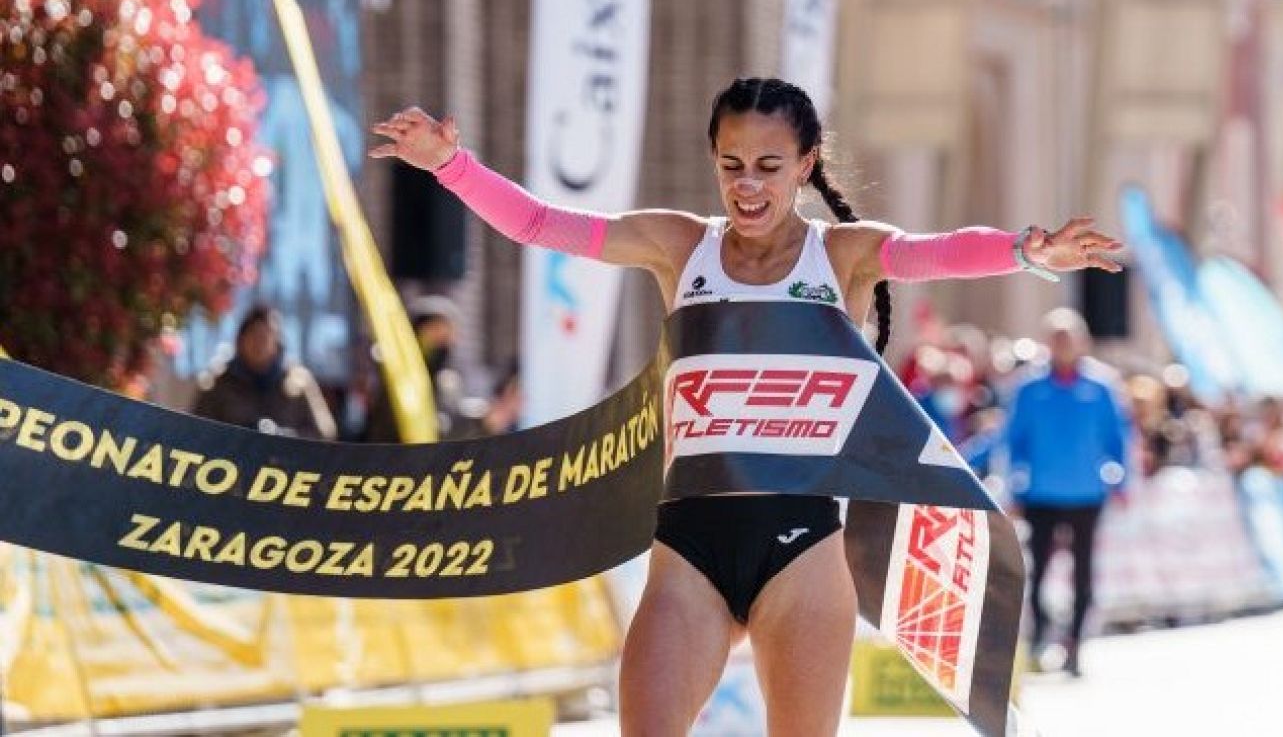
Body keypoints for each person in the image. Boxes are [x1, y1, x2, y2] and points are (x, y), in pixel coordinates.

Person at [369, 77, 1122, 736]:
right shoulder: (678, 246)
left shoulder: (842, 255)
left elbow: (933, 250)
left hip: (800, 556)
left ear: (805, 165)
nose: (748, 185)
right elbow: (542, 224)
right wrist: (450, 166)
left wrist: (1027, 252)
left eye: (768, 167)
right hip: (687, 551)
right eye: (731, 166)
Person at [1003, 307, 1129, 676]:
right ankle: (1040, 637)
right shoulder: (1028, 388)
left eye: (1069, 338)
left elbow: (1118, 439)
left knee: (1083, 574)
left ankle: (1075, 643)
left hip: (1087, 494)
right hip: (1040, 494)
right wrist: (1013, 486)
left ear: (1082, 342)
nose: (1062, 345)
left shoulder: (1102, 387)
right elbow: (1013, 442)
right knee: (1038, 571)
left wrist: (1120, 481)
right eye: (1056, 338)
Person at [192, 305, 337, 440]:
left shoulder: (298, 383)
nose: (259, 344)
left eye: (265, 337)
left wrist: (282, 437)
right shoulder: (218, 383)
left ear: (276, 343)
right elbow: (197, 432)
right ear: (241, 341)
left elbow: (324, 433)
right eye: (254, 336)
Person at [361, 295, 468, 442]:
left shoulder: (447, 381)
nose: (441, 340)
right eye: (435, 330)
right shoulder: (391, 368)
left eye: (446, 334)